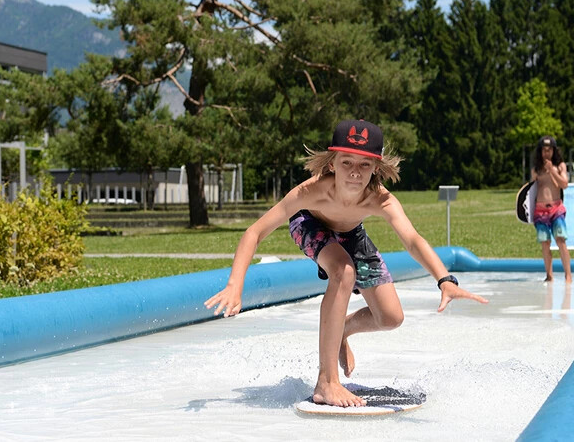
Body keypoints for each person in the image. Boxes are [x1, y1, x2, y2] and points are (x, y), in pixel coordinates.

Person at [204, 120, 489, 408]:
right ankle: (326, 382)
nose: (354, 171)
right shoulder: (310, 192)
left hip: (352, 234)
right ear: (332, 162)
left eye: (364, 165)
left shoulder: (381, 200)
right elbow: (255, 232)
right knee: (343, 271)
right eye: (346, 162)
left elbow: (413, 240)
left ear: (376, 167)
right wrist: (234, 285)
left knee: (390, 318)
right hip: (309, 224)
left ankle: (342, 330)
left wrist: (445, 279)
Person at [531, 136, 572, 282]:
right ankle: (549, 275)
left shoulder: (560, 166)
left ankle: (568, 275)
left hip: (556, 209)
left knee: (560, 239)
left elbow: (564, 184)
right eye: (544, 150)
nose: (546, 153)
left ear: (554, 151)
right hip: (540, 210)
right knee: (545, 242)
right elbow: (531, 190)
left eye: (549, 150)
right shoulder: (536, 169)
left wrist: (552, 171)